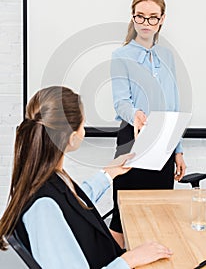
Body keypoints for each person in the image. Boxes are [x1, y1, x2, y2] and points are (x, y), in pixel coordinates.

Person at [0, 86, 173, 268]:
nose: (85, 130)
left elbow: (72, 202)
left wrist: (109, 172)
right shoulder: (43, 208)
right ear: (72, 138)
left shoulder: (49, 178)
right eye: (83, 125)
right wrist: (129, 260)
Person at [110, 0, 186, 247]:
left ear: (162, 19)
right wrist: (136, 115)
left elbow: (174, 104)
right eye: (140, 17)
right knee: (123, 216)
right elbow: (120, 101)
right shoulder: (120, 56)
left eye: (152, 17)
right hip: (132, 140)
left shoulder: (167, 57)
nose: (146, 23)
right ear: (132, 18)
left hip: (163, 141)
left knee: (160, 210)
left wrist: (178, 150)